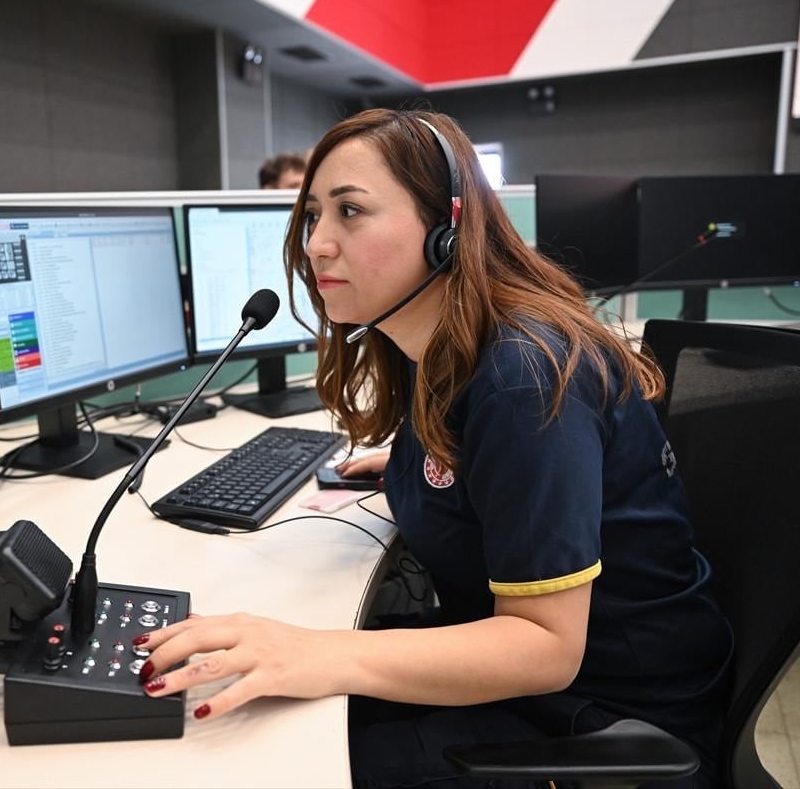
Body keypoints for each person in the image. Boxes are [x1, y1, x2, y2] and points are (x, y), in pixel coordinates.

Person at [134, 109, 733, 789]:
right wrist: (440, 469)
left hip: (603, 719)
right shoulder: (448, 346)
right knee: (255, 713)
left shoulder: (522, 376)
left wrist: (318, 651)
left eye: (350, 211)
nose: (317, 245)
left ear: (447, 229)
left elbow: (546, 648)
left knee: (261, 760)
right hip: (536, 689)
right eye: (312, 216)